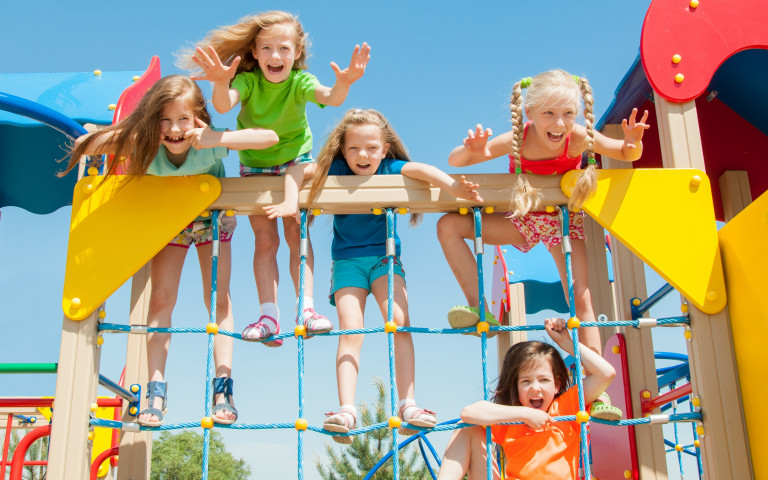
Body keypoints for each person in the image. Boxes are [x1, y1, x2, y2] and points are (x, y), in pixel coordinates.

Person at [63, 75, 279, 427]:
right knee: (161, 299)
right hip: (168, 224)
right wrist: (119, 133)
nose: (175, 129)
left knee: (219, 299)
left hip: (211, 219)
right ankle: (156, 390)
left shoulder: (207, 141)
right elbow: (86, 143)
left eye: (183, 119)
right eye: (165, 120)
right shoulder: (144, 142)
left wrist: (212, 136)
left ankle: (223, 388)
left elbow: (268, 137)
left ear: (198, 118)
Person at [437, 69, 648, 419]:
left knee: (582, 298)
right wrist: (472, 150)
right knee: (448, 225)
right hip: (522, 218)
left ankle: (596, 390)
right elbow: (455, 161)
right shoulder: (519, 138)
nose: (559, 123)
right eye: (549, 113)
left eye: (567, 113)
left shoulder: (578, 137)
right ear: (530, 113)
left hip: (562, 225)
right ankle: (479, 307)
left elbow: (625, 153)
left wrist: (632, 141)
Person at [180, 11, 371, 345]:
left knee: (297, 232)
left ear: (296, 53)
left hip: (296, 161)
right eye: (266, 48)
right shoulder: (249, 82)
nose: (275, 56)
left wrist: (345, 82)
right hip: (255, 165)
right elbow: (224, 107)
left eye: (283, 48)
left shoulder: (300, 82)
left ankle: (306, 309)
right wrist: (220, 80)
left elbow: (330, 97)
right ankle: (269, 314)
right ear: (254, 52)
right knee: (265, 240)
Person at [306, 109, 482, 443]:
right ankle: (347, 410)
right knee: (351, 330)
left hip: (386, 260)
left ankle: (408, 405)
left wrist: (452, 185)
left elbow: (421, 169)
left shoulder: (390, 168)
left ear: (385, 149)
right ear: (343, 150)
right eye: (354, 148)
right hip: (347, 262)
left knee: (399, 322)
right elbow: (309, 171)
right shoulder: (337, 170)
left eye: (372, 148)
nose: (363, 155)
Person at [437, 317, 616, 479]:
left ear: (557, 385)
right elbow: (468, 413)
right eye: (526, 381)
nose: (535, 388)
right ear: (516, 387)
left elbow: (606, 373)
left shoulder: (565, 409)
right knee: (466, 428)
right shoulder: (513, 420)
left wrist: (567, 342)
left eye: (544, 380)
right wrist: (524, 414)